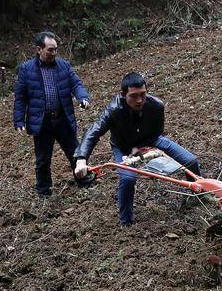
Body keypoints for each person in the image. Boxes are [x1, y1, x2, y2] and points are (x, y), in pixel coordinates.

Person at [73, 72, 201, 227]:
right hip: (123, 146)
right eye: (133, 96)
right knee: (128, 179)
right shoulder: (114, 110)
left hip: (151, 140)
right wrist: (81, 159)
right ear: (123, 94)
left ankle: (197, 196)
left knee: (191, 161)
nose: (139, 100)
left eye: (143, 94)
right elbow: (94, 131)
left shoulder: (156, 106)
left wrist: (143, 148)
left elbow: (157, 132)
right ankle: (126, 222)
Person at [13, 30, 91, 196]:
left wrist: (82, 98)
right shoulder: (26, 70)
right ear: (38, 49)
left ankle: (84, 180)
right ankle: (43, 190)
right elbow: (20, 98)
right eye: (50, 50)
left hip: (63, 119)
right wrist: (18, 120)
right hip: (42, 122)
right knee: (43, 160)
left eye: (55, 49)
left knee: (75, 153)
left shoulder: (64, 65)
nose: (54, 53)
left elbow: (76, 84)